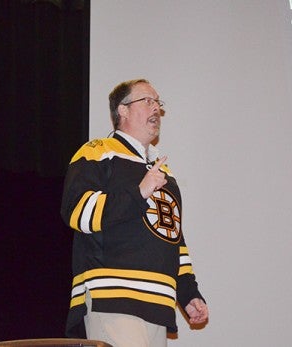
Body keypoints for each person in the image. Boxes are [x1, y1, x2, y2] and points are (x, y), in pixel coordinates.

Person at [60, 78, 208, 347]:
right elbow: (77, 212)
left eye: (158, 103)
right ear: (123, 110)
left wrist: (188, 293)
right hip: (114, 296)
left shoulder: (163, 172)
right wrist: (138, 193)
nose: (156, 109)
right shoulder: (97, 152)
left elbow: (174, 238)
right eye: (147, 101)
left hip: (158, 303)